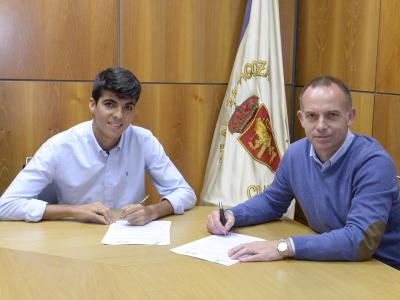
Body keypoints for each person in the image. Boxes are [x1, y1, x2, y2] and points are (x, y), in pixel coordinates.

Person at [207, 76, 400, 270]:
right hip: (332, 262)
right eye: (312, 116)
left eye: (332, 115)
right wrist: (233, 215)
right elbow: (272, 202)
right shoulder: (296, 153)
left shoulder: (374, 163)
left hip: (382, 269)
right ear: (301, 118)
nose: (321, 125)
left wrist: (284, 247)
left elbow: (360, 240)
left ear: (349, 116)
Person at [0, 67, 196, 224]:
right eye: (110, 104)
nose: (119, 115)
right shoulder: (60, 146)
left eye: (128, 107)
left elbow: (185, 193)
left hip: (126, 242)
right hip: (72, 244)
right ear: (93, 104)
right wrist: (74, 211)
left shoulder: (143, 140)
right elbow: (6, 205)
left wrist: (153, 211)